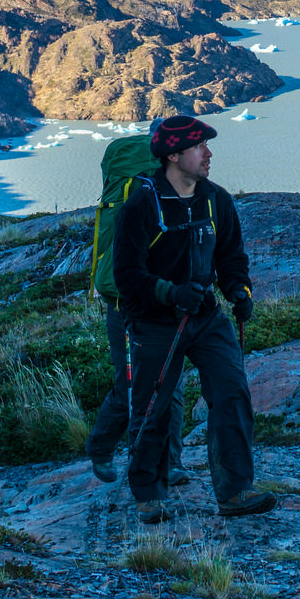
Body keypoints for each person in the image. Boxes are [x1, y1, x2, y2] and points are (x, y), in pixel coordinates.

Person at [113, 115, 275, 522]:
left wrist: (239, 291)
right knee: (154, 405)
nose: (208, 153)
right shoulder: (141, 205)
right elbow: (127, 276)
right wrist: (170, 292)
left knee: (232, 392)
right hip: (155, 322)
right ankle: (149, 494)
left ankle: (236, 492)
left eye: (206, 145)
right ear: (173, 154)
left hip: (205, 316)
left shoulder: (216, 199)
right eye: (199, 146)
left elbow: (231, 256)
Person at [85, 135, 187, 487]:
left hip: (159, 305)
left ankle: (170, 464)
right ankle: (102, 448)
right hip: (127, 304)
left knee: (166, 385)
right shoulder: (150, 200)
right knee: (134, 384)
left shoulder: (175, 199)